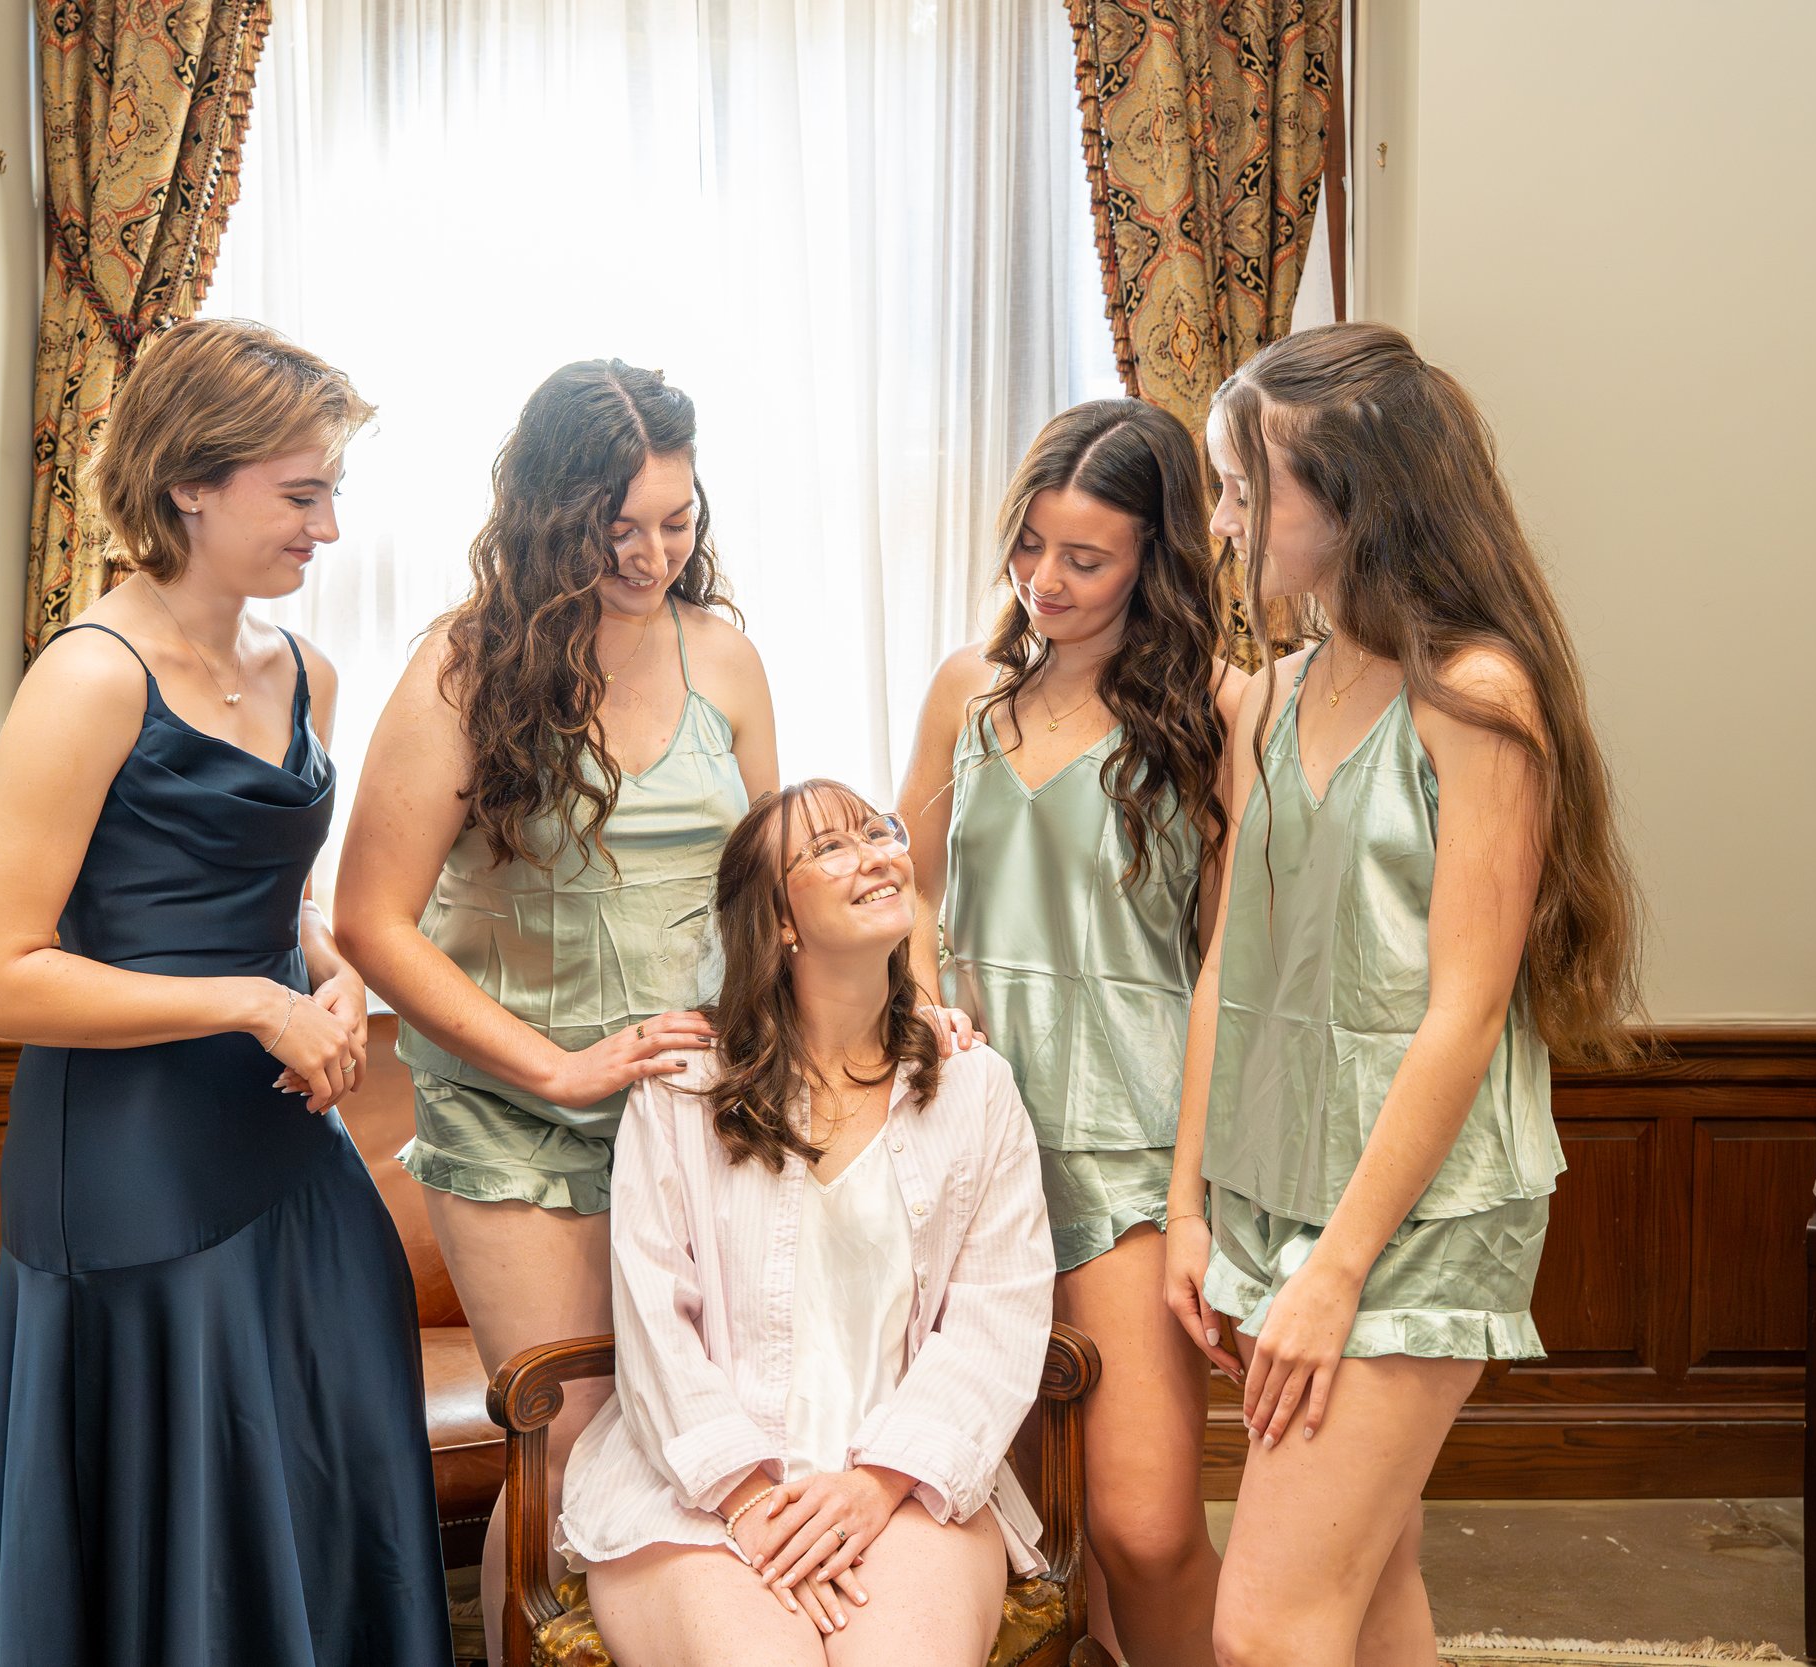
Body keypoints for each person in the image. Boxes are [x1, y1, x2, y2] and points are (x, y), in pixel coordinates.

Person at [0, 319, 452, 1666]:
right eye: (302, 493)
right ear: (190, 482)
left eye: (331, 490)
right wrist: (250, 1001)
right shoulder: (89, 678)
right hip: (130, 1164)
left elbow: (270, 902)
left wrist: (332, 979)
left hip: (291, 1138)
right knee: (178, 1499)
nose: (329, 527)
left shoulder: (306, 675)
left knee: (325, 1452)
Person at [1166, 323, 1643, 1667]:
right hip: (1277, 1181)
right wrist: (1192, 1203)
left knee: (1266, 1624)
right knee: (1366, 1595)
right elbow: (1231, 967)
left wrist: (1336, 1269)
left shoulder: (1477, 694)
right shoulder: (1271, 695)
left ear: (1353, 504)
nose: (1225, 520)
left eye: (1249, 493)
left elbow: (1465, 1013)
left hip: (1411, 1214)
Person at [333, 360, 778, 1615]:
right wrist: (554, 1065)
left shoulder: (726, 660)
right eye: (615, 526)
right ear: (546, 510)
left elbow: (758, 887)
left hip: (698, 1115)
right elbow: (369, 917)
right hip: (519, 1120)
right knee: (571, 1448)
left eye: (676, 522)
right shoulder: (459, 671)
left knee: (704, 1448)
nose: (649, 555)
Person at [559, 781, 1055, 1667]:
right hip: (695, 1489)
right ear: (779, 920)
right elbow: (653, 1326)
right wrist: (749, 1497)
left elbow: (997, 1321)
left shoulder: (976, 1086)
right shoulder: (683, 1085)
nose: (874, 853)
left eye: (879, 832)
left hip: (910, 1482)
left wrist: (876, 1484)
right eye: (830, 847)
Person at [897, 398, 1242, 1666]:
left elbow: (1224, 966)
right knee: (1018, 1515)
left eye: (1085, 557)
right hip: (962, 1142)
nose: (1046, 579)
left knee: (1142, 1521)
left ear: (1158, 557)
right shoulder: (965, 691)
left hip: (1131, 1149)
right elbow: (910, 885)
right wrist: (927, 991)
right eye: (1030, 545)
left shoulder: (1220, 706)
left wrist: (1195, 1191)